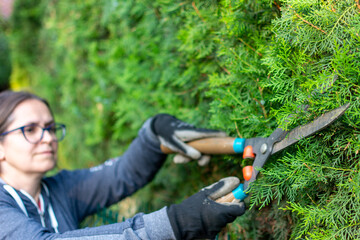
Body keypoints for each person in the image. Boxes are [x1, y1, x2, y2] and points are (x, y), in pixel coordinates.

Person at [0, 90, 245, 239]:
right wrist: (176, 223)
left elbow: (122, 175)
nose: (49, 138)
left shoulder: (58, 190)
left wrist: (153, 135)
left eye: (50, 128)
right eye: (30, 130)